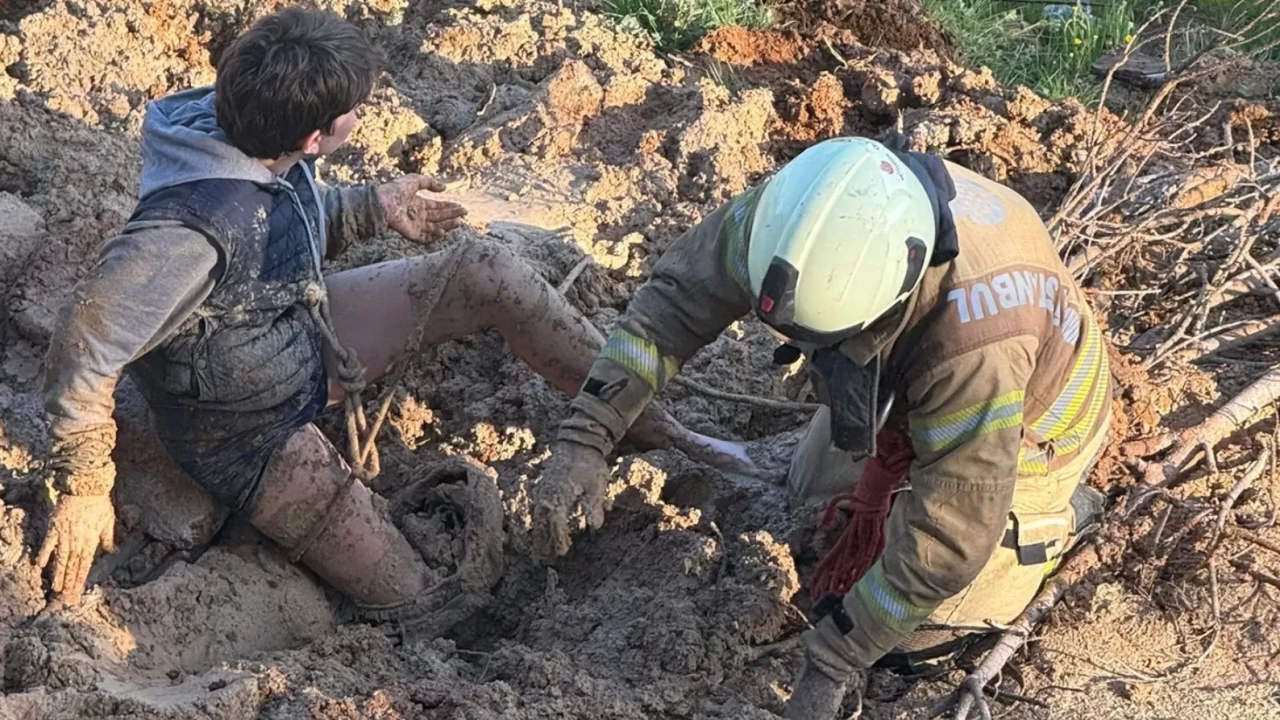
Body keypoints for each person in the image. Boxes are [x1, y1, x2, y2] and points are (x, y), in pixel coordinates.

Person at [37, 7, 748, 627]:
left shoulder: (249, 129)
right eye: (354, 109)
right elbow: (83, 347)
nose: (363, 113)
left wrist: (369, 208)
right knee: (426, 598)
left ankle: (645, 422)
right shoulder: (183, 235)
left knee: (482, 270)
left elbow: (276, 216)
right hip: (241, 428)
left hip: (293, 330)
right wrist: (83, 485)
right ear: (314, 135)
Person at [530, 135, 1112, 718]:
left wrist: (835, 659)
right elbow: (673, 305)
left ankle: (1059, 517)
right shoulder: (801, 213)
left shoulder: (970, 349)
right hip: (904, 382)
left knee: (916, 638)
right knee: (807, 494)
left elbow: (952, 538)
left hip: (1032, 434)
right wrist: (587, 436)